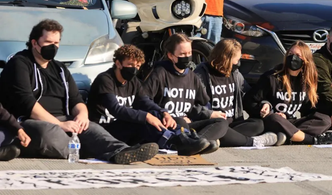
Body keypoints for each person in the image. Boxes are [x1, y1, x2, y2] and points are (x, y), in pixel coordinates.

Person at [0, 19, 159, 163]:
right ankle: (86, 151)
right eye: (48, 42)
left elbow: (77, 100)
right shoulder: (20, 63)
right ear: (34, 43)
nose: (53, 47)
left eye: (56, 43)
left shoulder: (60, 69)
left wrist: (82, 116)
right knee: (48, 134)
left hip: (65, 119)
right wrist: (61, 124)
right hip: (30, 121)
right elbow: (27, 104)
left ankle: (121, 151)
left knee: (93, 129)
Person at [88, 44, 211, 155]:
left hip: (124, 128)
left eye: (137, 66)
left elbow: (145, 102)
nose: (134, 69)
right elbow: (116, 110)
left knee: (155, 113)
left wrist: (164, 113)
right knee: (141, 119)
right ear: (118, 63)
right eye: (130, 65)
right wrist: (146, 116)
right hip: (104, 130)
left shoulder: (133, 81)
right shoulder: (105, 80)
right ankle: (173, 143)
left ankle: (183, 136)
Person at [144, 33, 229, 153]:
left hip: (188, 124)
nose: (187, 57)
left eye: (189, 53)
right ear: (171, 56)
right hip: (169, 123)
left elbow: (204, 103)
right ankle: (194, 143)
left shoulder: (192, 76)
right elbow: (144, 99)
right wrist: (163, 114)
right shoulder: (160, 73)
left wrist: (204, 113)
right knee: (180, 121)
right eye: (182, 54)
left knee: (221, 122)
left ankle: (196, 142)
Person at [245, 41, 332, 145]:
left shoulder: (307, 81)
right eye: (290, 54)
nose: (293, 58)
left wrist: (331, 95)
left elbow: (312, 109)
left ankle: (286, 137)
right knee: (275, 118)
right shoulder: (271, 77)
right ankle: (313, 140)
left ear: (305, 60)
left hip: (290, 122)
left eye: (298, 56)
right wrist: (265, 106)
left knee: (324, 120)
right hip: (272, 120)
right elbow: (248, 101)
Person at [195, 39, 283, 147]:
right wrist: (210, 114)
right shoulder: (201, 74)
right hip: (214, 123)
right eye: (236, 59)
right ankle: (252, 142)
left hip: (233, 123)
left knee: (259, 124)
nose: (238, 63)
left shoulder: (235, 74)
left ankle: (222, 139)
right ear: (225, 59)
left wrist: (264, 104)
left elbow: (250, 95)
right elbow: (192, 104)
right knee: (221, 126)